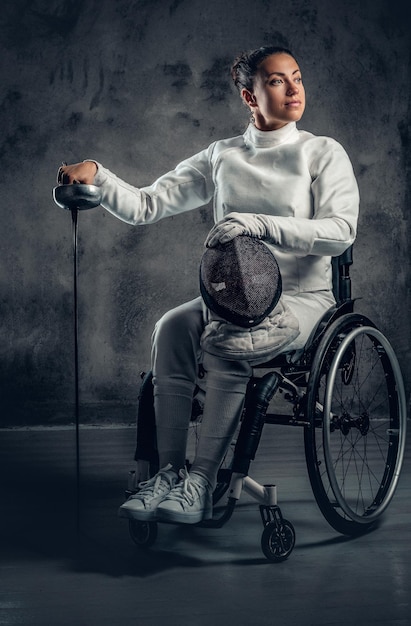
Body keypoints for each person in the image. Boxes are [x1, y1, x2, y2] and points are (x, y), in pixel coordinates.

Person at [58, 45, 359, 525]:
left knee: (228, 341)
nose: (294, 88)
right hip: (233, 299)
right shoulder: (223, 156)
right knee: (172, 328)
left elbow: (341, 231)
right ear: (249, 95)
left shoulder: (322, 152)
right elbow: (146, 205)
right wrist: (98, 174)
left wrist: (259, 224)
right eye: (278, 80)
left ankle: (200, 481)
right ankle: (170, 474)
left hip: (304, 301)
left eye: (297, 77)